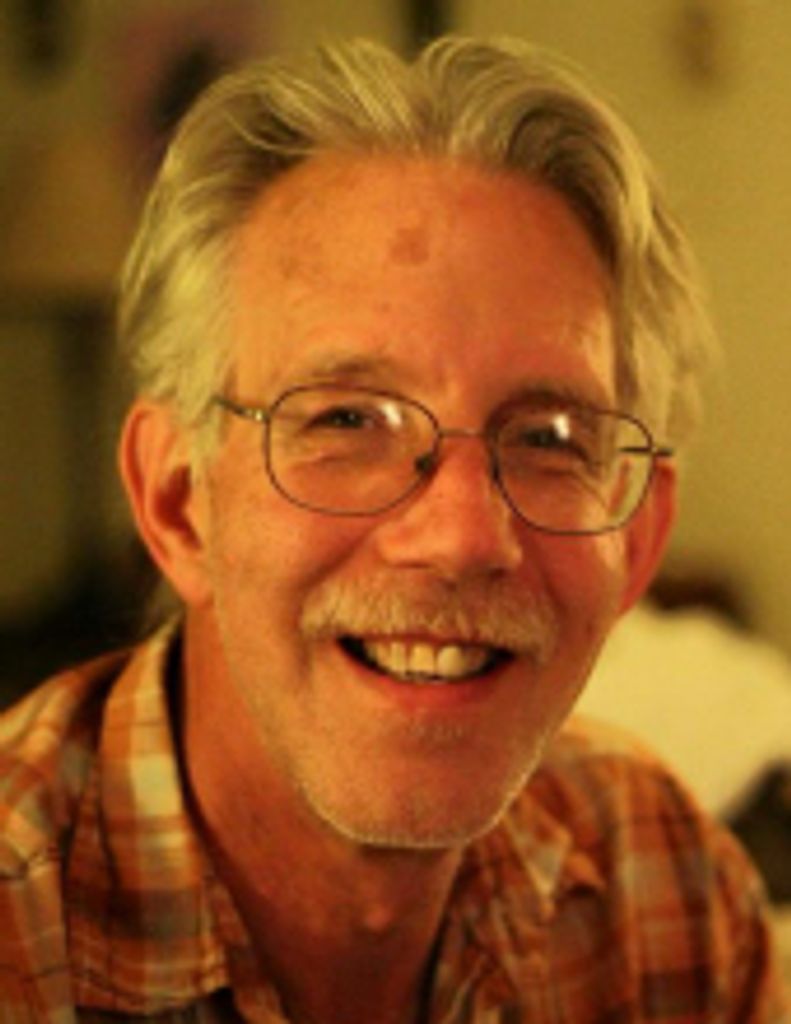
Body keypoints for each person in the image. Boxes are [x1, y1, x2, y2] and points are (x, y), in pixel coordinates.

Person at [0, 35, 786, 1024]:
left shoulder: (663, 887)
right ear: (176, 501)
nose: (459, 537)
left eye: (547, 437)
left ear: (634, 538)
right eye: (344, 420)